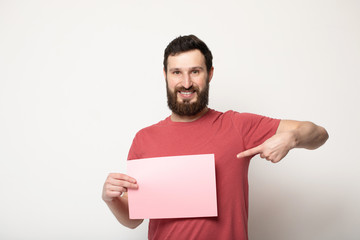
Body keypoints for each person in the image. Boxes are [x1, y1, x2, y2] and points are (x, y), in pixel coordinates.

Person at [102, 35, 329, 239]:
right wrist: (111, 199)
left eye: (195, 71)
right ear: (165, 75)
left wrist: (292, 139)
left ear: (209, 74)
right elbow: (134, 220)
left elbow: (319, 134)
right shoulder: (144, 139)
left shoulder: (237, 125)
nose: (186, 82)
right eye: (176, 72)